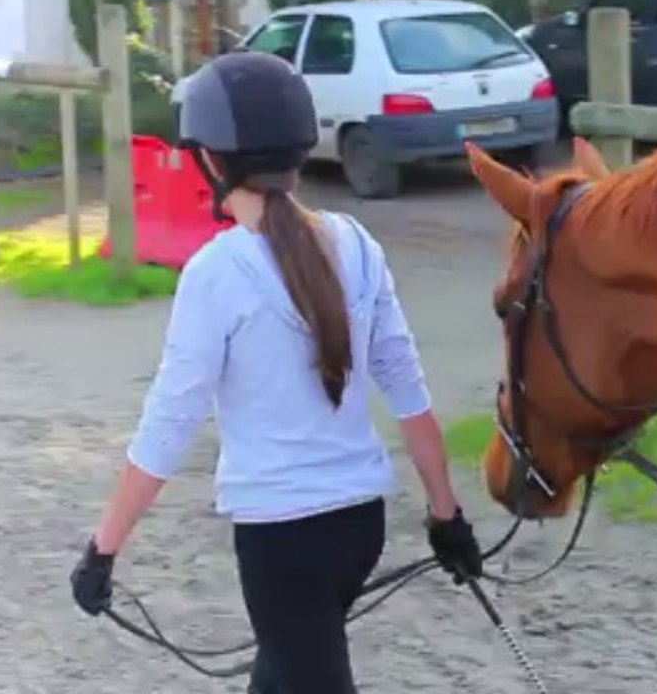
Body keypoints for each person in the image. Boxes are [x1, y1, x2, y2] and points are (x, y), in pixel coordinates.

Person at [69, 51, 483, 694]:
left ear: (209, 158)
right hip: (358, 527)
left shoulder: (217, 272)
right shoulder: (356, 243)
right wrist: (446, 515)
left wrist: (103, 548)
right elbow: (409, 392)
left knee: (303, 672)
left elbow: (169, 424)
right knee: (283, 672)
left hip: (282, 543)